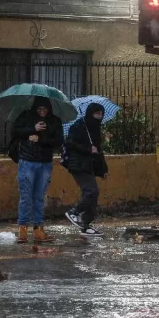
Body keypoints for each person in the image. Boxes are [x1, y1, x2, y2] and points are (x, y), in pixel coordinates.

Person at [11, 97, 64, 244]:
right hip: (27, 161)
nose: (42, 112)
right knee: (26, 196)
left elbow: (59, 141)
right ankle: (22, 230)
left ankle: (38, 229)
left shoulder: (54, 121)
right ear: (35, 108)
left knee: (39, 197)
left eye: (45, 109)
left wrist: (41, 138)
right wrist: (33, 129)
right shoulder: (26, 116)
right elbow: (15, 131)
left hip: (45, 162)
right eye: (39, 109)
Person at [64, 102, 109, 238]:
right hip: (77, 164)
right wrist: (88, 149)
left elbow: (98, 151)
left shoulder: (95, 129)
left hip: (88, 165)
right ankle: (74, 212)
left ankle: (86, 225)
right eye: (96, 113)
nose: (99, 116)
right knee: (91, 191)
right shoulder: (79, 126)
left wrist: (103, 169)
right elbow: (69, 143)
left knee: (93, 195)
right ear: (90, 113)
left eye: (101, 114)